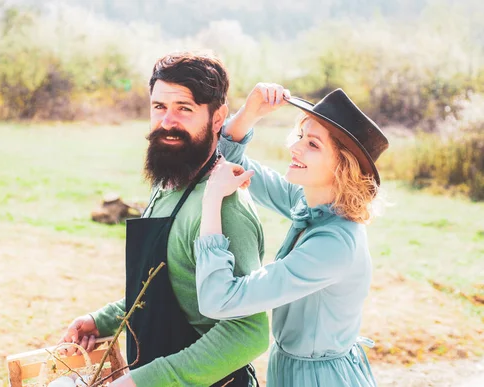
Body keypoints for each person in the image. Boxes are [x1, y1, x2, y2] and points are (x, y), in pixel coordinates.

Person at [58, 53, 269, 387]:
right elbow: (167, 288)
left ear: (218, 118)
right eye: (159, 107)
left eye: (184, 108)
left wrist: (144, 382)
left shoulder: (225, 206)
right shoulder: (165, 185)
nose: (168, 121)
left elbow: (249, 332)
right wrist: (104, 320)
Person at [194, 83, 389, 386]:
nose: (294, 147)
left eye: (313, 144)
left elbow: (219, 300)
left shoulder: (333, 245)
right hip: (289, 367)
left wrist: (211, 202)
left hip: (320, 379)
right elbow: (227, 162)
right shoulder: (310, 202)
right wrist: (251, 112)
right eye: (300, 136)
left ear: (343, 166)